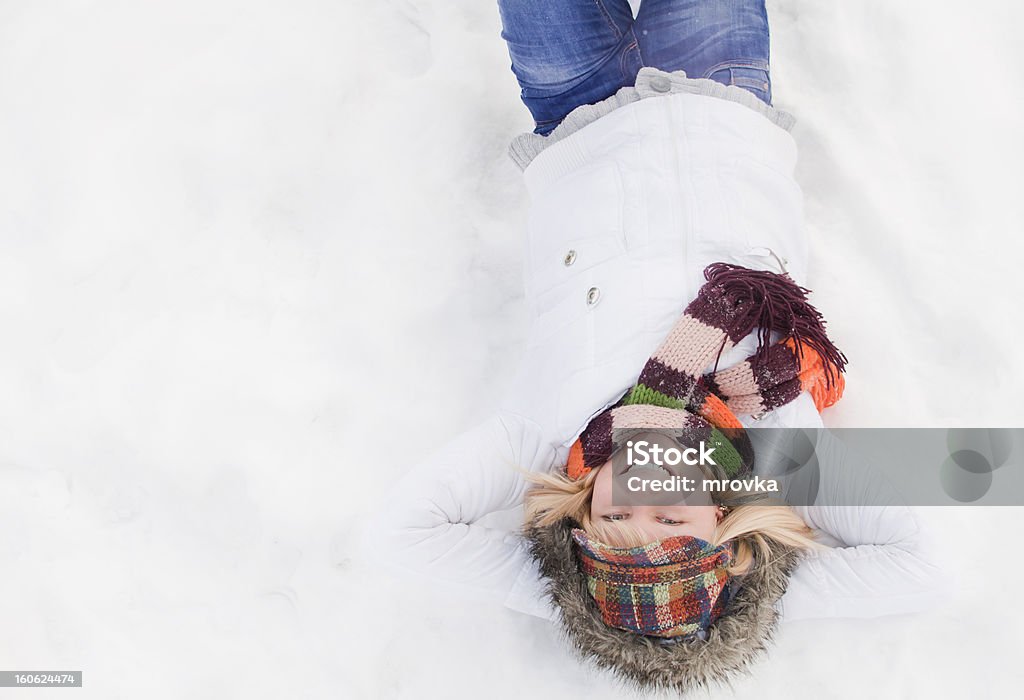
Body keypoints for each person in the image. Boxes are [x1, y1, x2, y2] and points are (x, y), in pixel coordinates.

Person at [364, 0, 951, 691]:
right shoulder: (782, 447)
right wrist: (742, 596)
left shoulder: (542, 432)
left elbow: (399, 536)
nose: (647, 486)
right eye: (672, 515)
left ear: (583, 509)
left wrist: (573, 597)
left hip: (578, 116)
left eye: (616, 515)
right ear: (723, 517)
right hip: (723, 99)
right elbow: (925, 568)